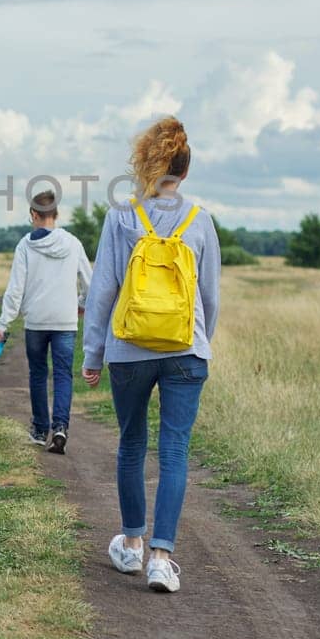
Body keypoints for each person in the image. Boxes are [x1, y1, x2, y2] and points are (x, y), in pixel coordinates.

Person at [81, 117, 220, 593]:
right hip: (186, 349)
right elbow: (210, 295)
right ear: (184, 170)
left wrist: (93, 353)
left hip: (129, 349)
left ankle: (133, 546)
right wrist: (201, 343)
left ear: (145, 164)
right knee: (175, 451)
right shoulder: (198, 220)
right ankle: (162, 558)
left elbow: (103, 289)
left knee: (132, 444)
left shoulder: (121, 216)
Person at [0, 190, 93, 454]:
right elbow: (89, 283)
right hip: (65, 320)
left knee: (38, 374)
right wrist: (80, 304)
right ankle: (60, 427)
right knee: (63, 375)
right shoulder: (73, 243)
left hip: (36, 321)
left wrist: (3, 324)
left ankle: (39, 429)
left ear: (34, 215)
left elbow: (15, 289)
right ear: (57, 214)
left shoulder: (26, 245)